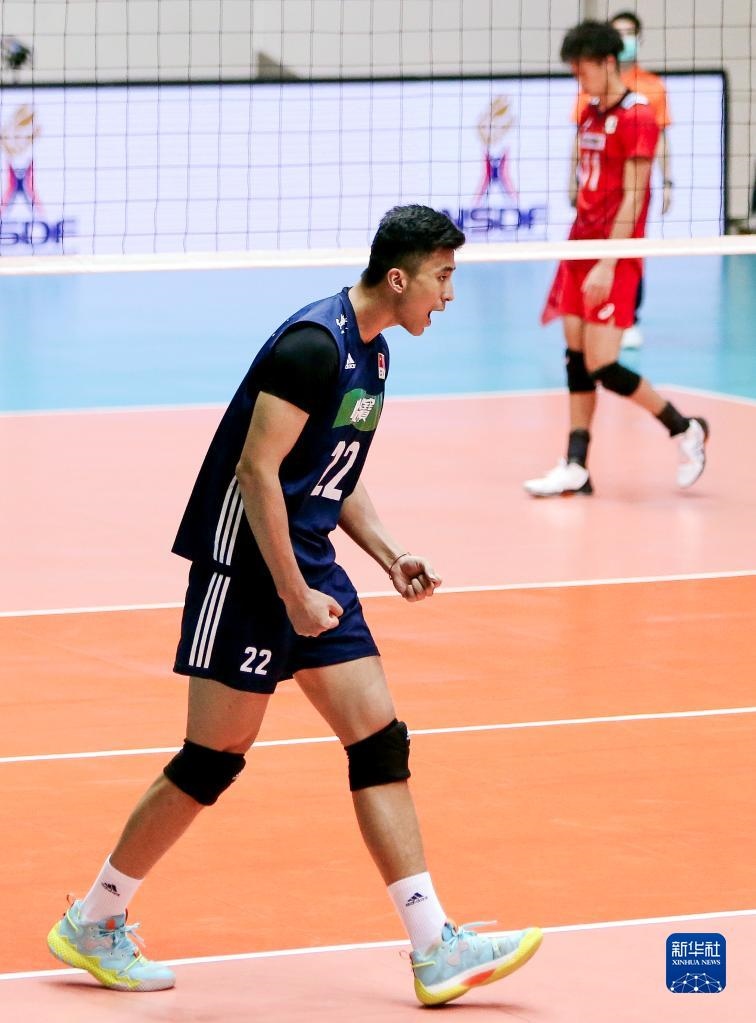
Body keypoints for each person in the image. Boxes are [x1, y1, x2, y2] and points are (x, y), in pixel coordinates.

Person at [47, 204, 543, 1006]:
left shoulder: (375, 353)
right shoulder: (313, 345)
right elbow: (256, 471)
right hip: (246, 570)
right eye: (443, 277)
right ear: (399, 278)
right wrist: (291, 592)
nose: (450, 295)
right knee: (212, 757)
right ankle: (95, 919)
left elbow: (333, 469)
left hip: (308, 563)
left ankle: (434, 946)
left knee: (378, 739)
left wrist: (389, 553)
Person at [526, 21, 708, 498]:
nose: (577, 78)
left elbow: (634, 195)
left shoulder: (638, 116)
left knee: (603, 362)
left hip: (614, 254)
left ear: (607, 62)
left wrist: (608, 260)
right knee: (576, 358)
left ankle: (685, 428)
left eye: (582, 69)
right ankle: (576, 464)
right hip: (579, 246)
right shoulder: (589, 112)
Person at [569, 11, 673, 349]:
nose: (579, 78)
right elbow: (580, 139)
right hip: (585, 229)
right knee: (577, 349)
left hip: (617, 220)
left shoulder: (648, 93)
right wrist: (572, 180)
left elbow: (661, 138)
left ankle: (630, 317)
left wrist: (668, 181)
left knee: (631, 252)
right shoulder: (589, 104)